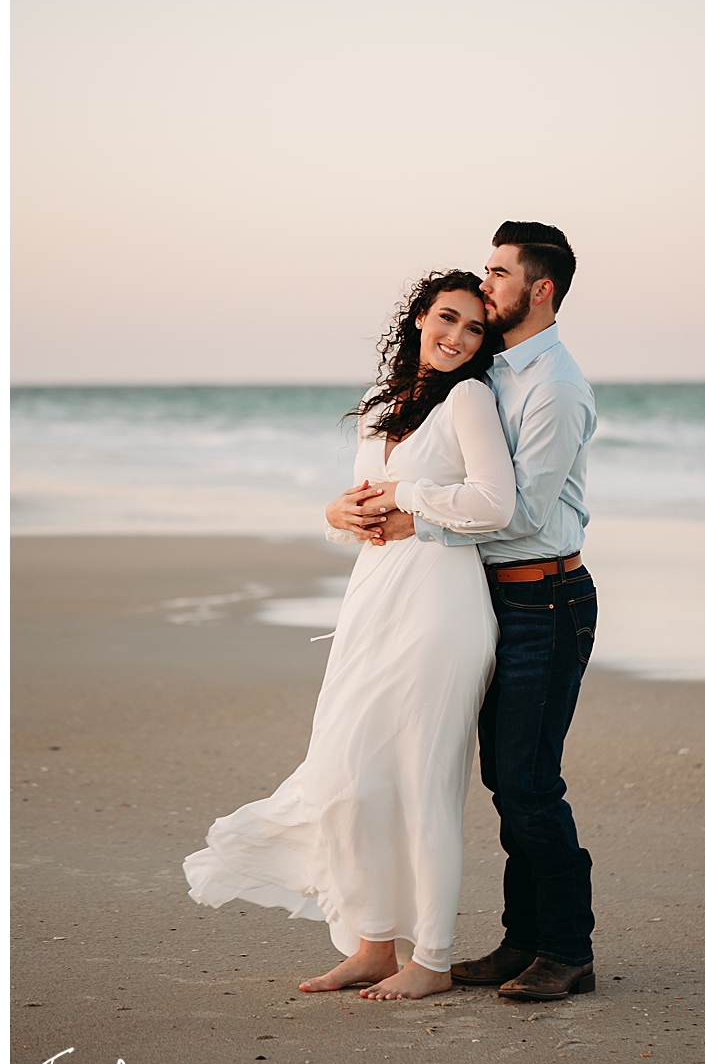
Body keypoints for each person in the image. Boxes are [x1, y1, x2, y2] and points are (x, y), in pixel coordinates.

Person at [184, 270, 516, 1000]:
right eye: (447, 319)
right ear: (419, 318)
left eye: (473, 329)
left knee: (423, 782)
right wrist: (335, 516)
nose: (457, 337)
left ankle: (429, 956)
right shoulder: (379, 404)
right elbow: (357, 513)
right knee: (350, 774)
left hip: (442, 608)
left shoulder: (470, 398)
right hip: (372, 603)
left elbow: (494, 503)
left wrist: (408, 494)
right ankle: (372, 942)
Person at [365, 222, 600, 1002]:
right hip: (495, 595)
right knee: (506, 776)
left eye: (499, 273)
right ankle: (521, 939)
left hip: (546, 595)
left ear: (540, 290)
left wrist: (412, 514)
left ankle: (568, 949)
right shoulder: (495, 372)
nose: (485, 283)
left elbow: (518, 513)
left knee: (531, 782)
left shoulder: (554, 386)